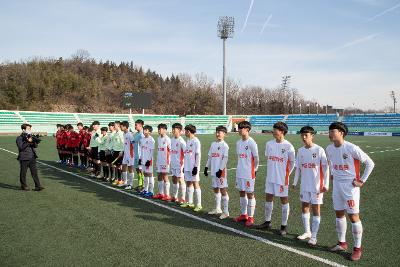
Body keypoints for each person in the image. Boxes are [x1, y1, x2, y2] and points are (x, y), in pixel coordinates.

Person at [326, 122, 375, 261]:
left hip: (350, 187)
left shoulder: (352, 148)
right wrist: (332, 174)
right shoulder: (329, 148)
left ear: (341, 132)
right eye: (329, 131)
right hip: (337, 185)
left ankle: (357, 248)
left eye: (332, 131)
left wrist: (362, 180)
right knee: (339, 213)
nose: (330, 134)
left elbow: (370, 163)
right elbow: (331, 163)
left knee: (353, 216)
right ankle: (342, 243)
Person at [255, 122, 295, 235]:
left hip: (282, 179)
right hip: (270, 177)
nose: (273, 131)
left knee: (284, 200)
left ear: (282, 132)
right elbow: (269, 158)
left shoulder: (289, 146)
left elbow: (292, 162)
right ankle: (267, 222)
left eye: (275, 130)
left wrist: (287, 174)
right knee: (268, 198)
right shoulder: (269, 144)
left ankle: (283, 226)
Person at [292, 126, 329, 246]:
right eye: (302, 135)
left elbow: (326, 168)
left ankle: (314, 236)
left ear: (312, 136)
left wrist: (326, 184)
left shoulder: (319, 150)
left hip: (317, 186)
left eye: (306, 135)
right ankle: (307, 232)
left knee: (316, 209)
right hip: (305, 185)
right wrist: (295, 182)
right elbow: (298, 168)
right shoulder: (300, 151)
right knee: (304, 207)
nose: (303, 137)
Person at [233, 121, 259, 227]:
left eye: (241, 128)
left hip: (249, 173)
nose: (239, 130)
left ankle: (251, 217)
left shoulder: (252, 142)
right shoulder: (238, 143)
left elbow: (256, 159)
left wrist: (255, 170)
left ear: (247, 130)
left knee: (250, 194)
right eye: (238, 128)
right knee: (241, 192)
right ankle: (243, 215)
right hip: (240, 172)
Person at [204, 125, 230, 219]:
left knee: (223, 190)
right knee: (215, 189)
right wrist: (206, 167)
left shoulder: (224, 145)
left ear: (224, 134)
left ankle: (226, 211)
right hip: (213, 171)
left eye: (220, 132)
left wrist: (220, 169)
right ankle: (217, 208)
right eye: (217, 132)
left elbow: (225, 159)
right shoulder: (213, 144)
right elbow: (210, 157)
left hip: (221, 172)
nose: (218, 134)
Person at [180, 124, 202, 212]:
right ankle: (190, 202)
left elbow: (198, 155)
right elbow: (186, 155)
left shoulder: (196, 141)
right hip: (188, 166)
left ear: (188, 131)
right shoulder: (188, 141)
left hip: (193, 167)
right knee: (188, 183)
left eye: (185, 131)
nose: (184, 132)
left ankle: (199, 204)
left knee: (195, 184)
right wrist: (185, 166)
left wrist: (196, 167)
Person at [16, 123, 44, 191]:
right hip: (24, 157)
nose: (30, 130)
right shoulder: (19, 138)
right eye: (28, 129)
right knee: (23, 172)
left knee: (34, 172)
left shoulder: (30, 136)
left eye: (30, 129)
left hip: (32, 157)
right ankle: (24, 186)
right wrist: (28, 142)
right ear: (23, 130)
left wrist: (35, 141)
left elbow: (35, 146)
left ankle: (38, 186)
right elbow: (21, 147)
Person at [153, 123, 172, 201]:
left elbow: (170, 151)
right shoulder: (158, 138)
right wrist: (157, 160)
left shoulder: (167, 139)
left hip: (165, 161)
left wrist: (169, 161)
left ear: (164, 130)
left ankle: (167, 194)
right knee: (159, 176)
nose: (159, 131)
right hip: (159, 160)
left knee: (165, 176)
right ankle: (161, 193)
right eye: (158, 129)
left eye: (160, 129)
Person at [170, 123, 186, 204]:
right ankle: (174, 197)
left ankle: (182, 198)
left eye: (174, 129)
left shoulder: (181, 141)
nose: (173, 131)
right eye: (172, 129)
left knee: (181, 180)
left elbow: (186, 154)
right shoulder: (172, 140)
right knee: (174, 179)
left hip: (180, 164)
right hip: (173, 163)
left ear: (179, 131)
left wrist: (184, 165)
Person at [139, 125, 155, 198]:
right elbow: (141, 150)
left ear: (149, 131)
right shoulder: (142, 139)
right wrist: (140, 159)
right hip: (143, 160)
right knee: (145, 174)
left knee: (150, 175)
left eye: (146, 130)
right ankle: (145, 189)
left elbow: (151, 151)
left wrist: (148, 160)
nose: (144, 131)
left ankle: (151, 191)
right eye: (144, 129)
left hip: (149, 161)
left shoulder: (151, 140)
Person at [133, 119, 145, 192]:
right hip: (136, 155)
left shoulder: (142, 134)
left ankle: (143, 185)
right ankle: (140, 184)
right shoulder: (136, 134)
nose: (135, 126)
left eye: (136, 125)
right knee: (137, 170)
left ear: (140, 125)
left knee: (141, 170)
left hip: (141, 155)